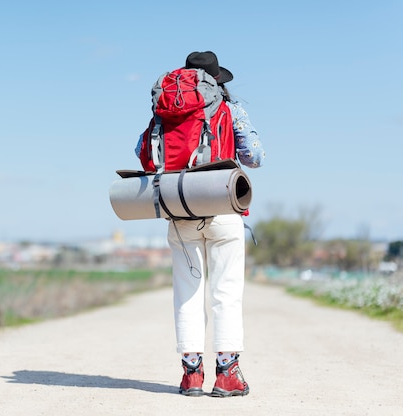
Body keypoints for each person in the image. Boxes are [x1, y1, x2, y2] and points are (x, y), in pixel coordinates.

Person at [135, 51, 265, 397]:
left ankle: (191, 375)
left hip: (180, 207)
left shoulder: (164, 110)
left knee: (186, 293)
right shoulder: (229, 109)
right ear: (216, 80)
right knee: (226, 293)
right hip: (221, 206)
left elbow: (142, 153)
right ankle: (227, 375)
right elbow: (254, 156)